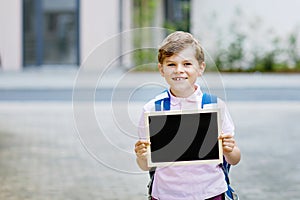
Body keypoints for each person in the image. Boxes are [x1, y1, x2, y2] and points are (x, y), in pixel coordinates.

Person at [134, 31, 241, 200]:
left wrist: (230, 149)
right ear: (161, 69)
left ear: (200, 68)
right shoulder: (152, 109)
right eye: (171, 64)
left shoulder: (215, 106)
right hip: (166, 195)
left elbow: (234, 159)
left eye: (187, 64)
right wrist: (141, 156)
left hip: (211, 193)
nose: (179, 70)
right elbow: (145, 165)